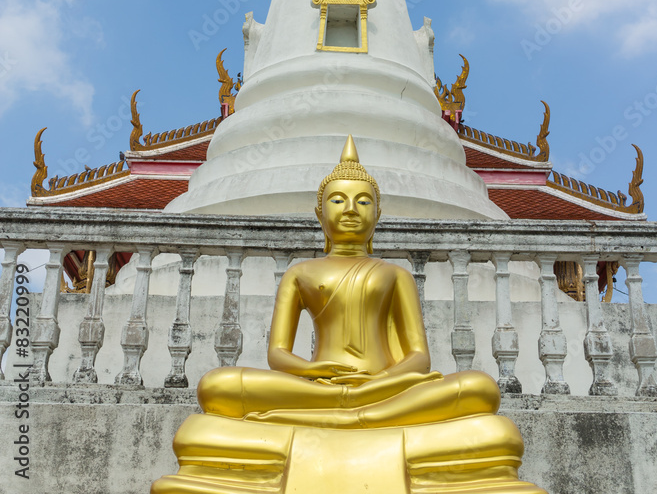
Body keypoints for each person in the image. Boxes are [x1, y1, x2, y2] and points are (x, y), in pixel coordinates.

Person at [152, 137, 547, 494]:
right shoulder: (300, 273)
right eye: (338, 200)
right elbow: (278, 354)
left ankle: (358, 417)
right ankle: (355, 416)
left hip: (386, 390)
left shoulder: (395, 274)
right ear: (320, 213)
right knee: (217, 385)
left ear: (378, 214)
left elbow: (418, 358)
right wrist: (315, 374)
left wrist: (368, 389)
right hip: (317, 388)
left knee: (479, 390)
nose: (351, 209)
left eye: (363, 201)